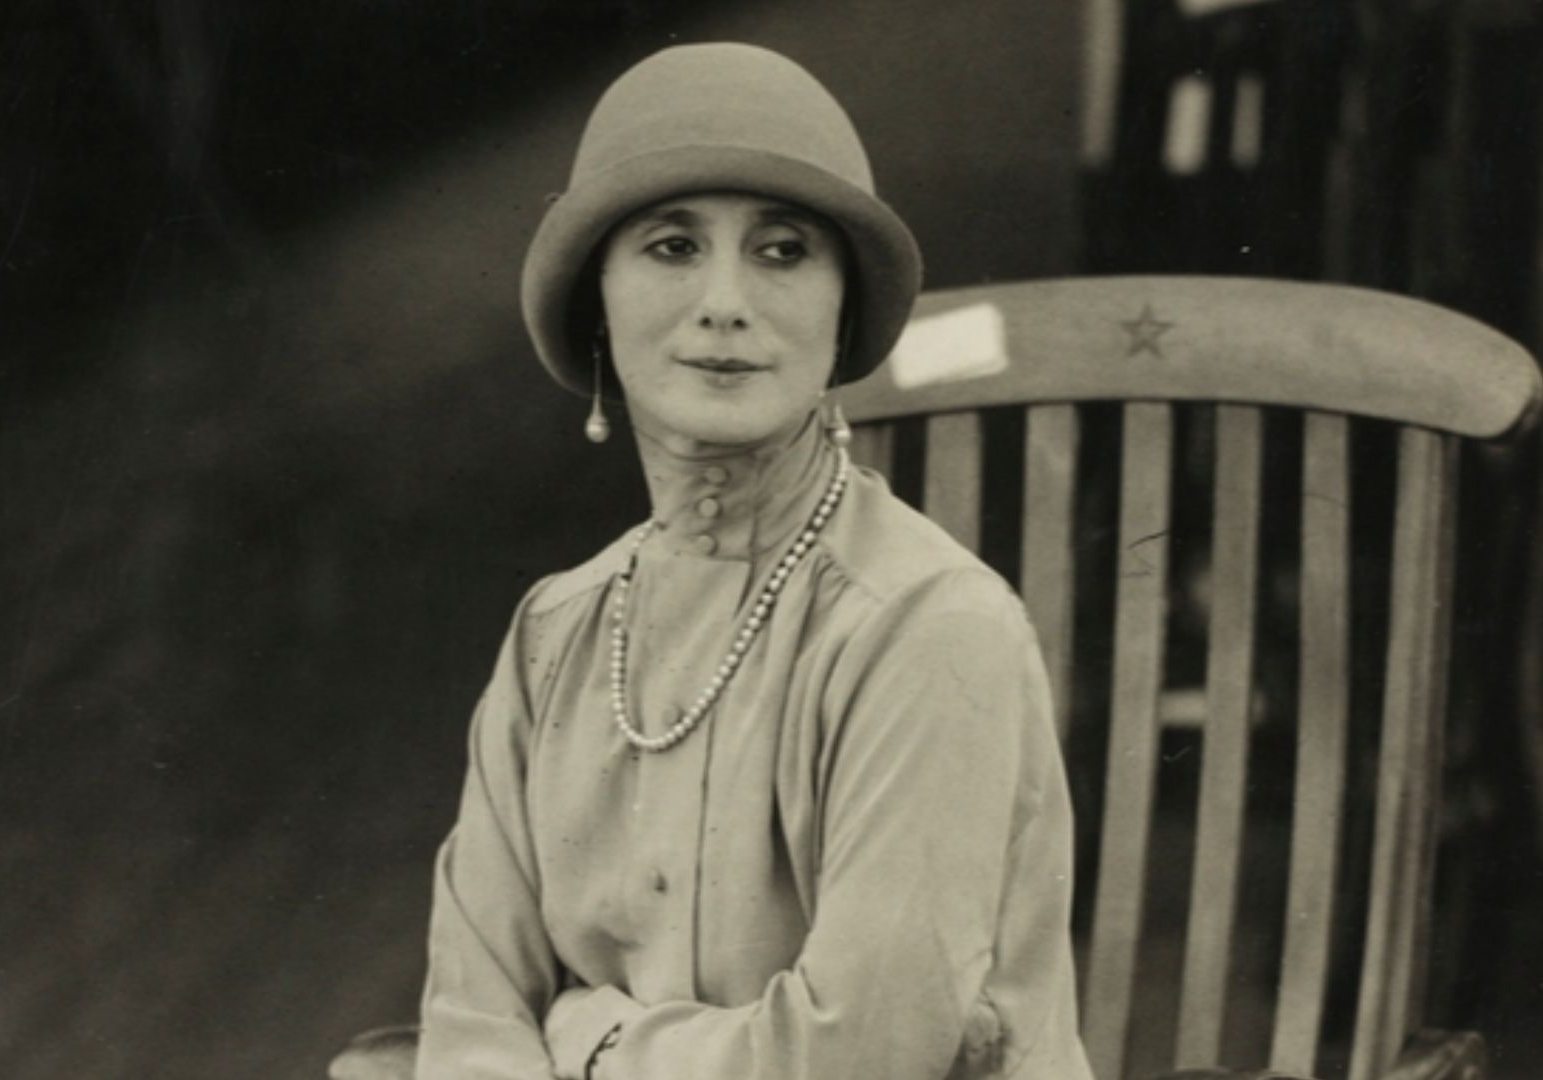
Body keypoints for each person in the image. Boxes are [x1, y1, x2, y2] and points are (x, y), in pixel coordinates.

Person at [403, 43, 1092, 1080]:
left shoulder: (932, 628)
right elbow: (471, 1025)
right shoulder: (555, 637)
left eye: (781, 252)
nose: (726, 301)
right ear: (596, 303)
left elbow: (857, 1059)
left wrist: (589, 1040)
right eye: (673, 247)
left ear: (843, 309)